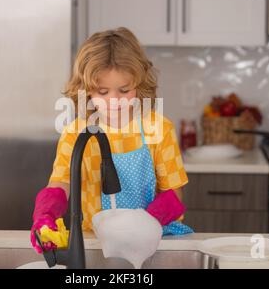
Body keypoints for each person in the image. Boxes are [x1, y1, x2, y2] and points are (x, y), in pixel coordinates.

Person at [31, 27, 193, 254]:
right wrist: (45, 215)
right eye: (103, 92)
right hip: (95, 244)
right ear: (86, 91)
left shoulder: (158, 129)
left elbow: (174, 196)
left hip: (150, 242)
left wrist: (142, 225)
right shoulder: (75, 133)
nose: (114, 101)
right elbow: (61, 184)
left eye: (124, 90)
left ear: (139, 84)